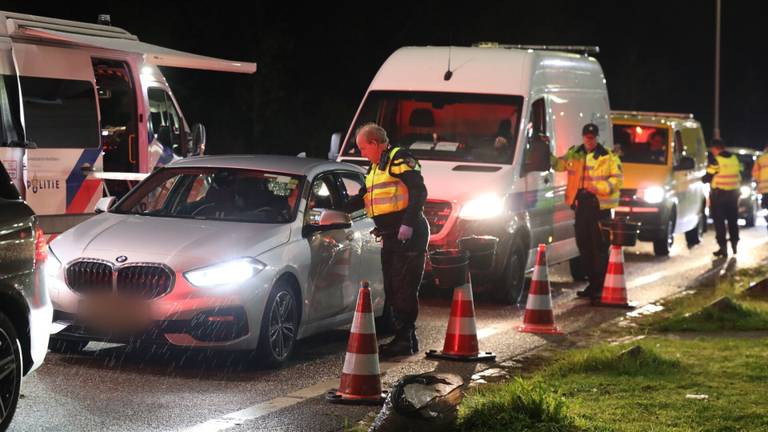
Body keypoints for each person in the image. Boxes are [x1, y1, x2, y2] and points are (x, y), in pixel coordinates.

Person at [347, 123, 429, 357]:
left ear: (374, 143)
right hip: (391, 236)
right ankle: (405, 338)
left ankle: (405, 339)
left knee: (403, 287)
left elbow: (419, 192)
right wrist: (333, 208)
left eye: (363, 148)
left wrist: (408, 223)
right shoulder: (375, 168)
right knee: (393, 287)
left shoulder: (398, 158)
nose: (362, 153)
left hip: (407, 235)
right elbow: (362, 198)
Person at [551, 123, 622, 301]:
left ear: (597, 137)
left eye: (592, 137)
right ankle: (593, 283)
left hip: (599, 207)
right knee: (583, 245)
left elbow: (617, 181)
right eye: (587, 137)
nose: (589, 140)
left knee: (598, 246)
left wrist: (596, 187)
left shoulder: (608, 156)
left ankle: (600, 285)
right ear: (583, 137)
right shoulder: (575, 153)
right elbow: (559, 165)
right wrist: (545, 151)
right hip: (581, 206)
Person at [703, 139, 741, 256]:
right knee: (732, 221)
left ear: (715, 148)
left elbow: (708, 177)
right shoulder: (734, 158)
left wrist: (701, 179)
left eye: (712, 150)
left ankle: (723, 247)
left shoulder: (716, 160)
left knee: (719, 222)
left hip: (719, 196)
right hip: (733, 194)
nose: (712, 152)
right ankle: (734, 244)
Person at [753, 144, 768, 230]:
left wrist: (760, 181)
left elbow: (755, 173)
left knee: (766, 208)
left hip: (764, 189)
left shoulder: (761, 158)